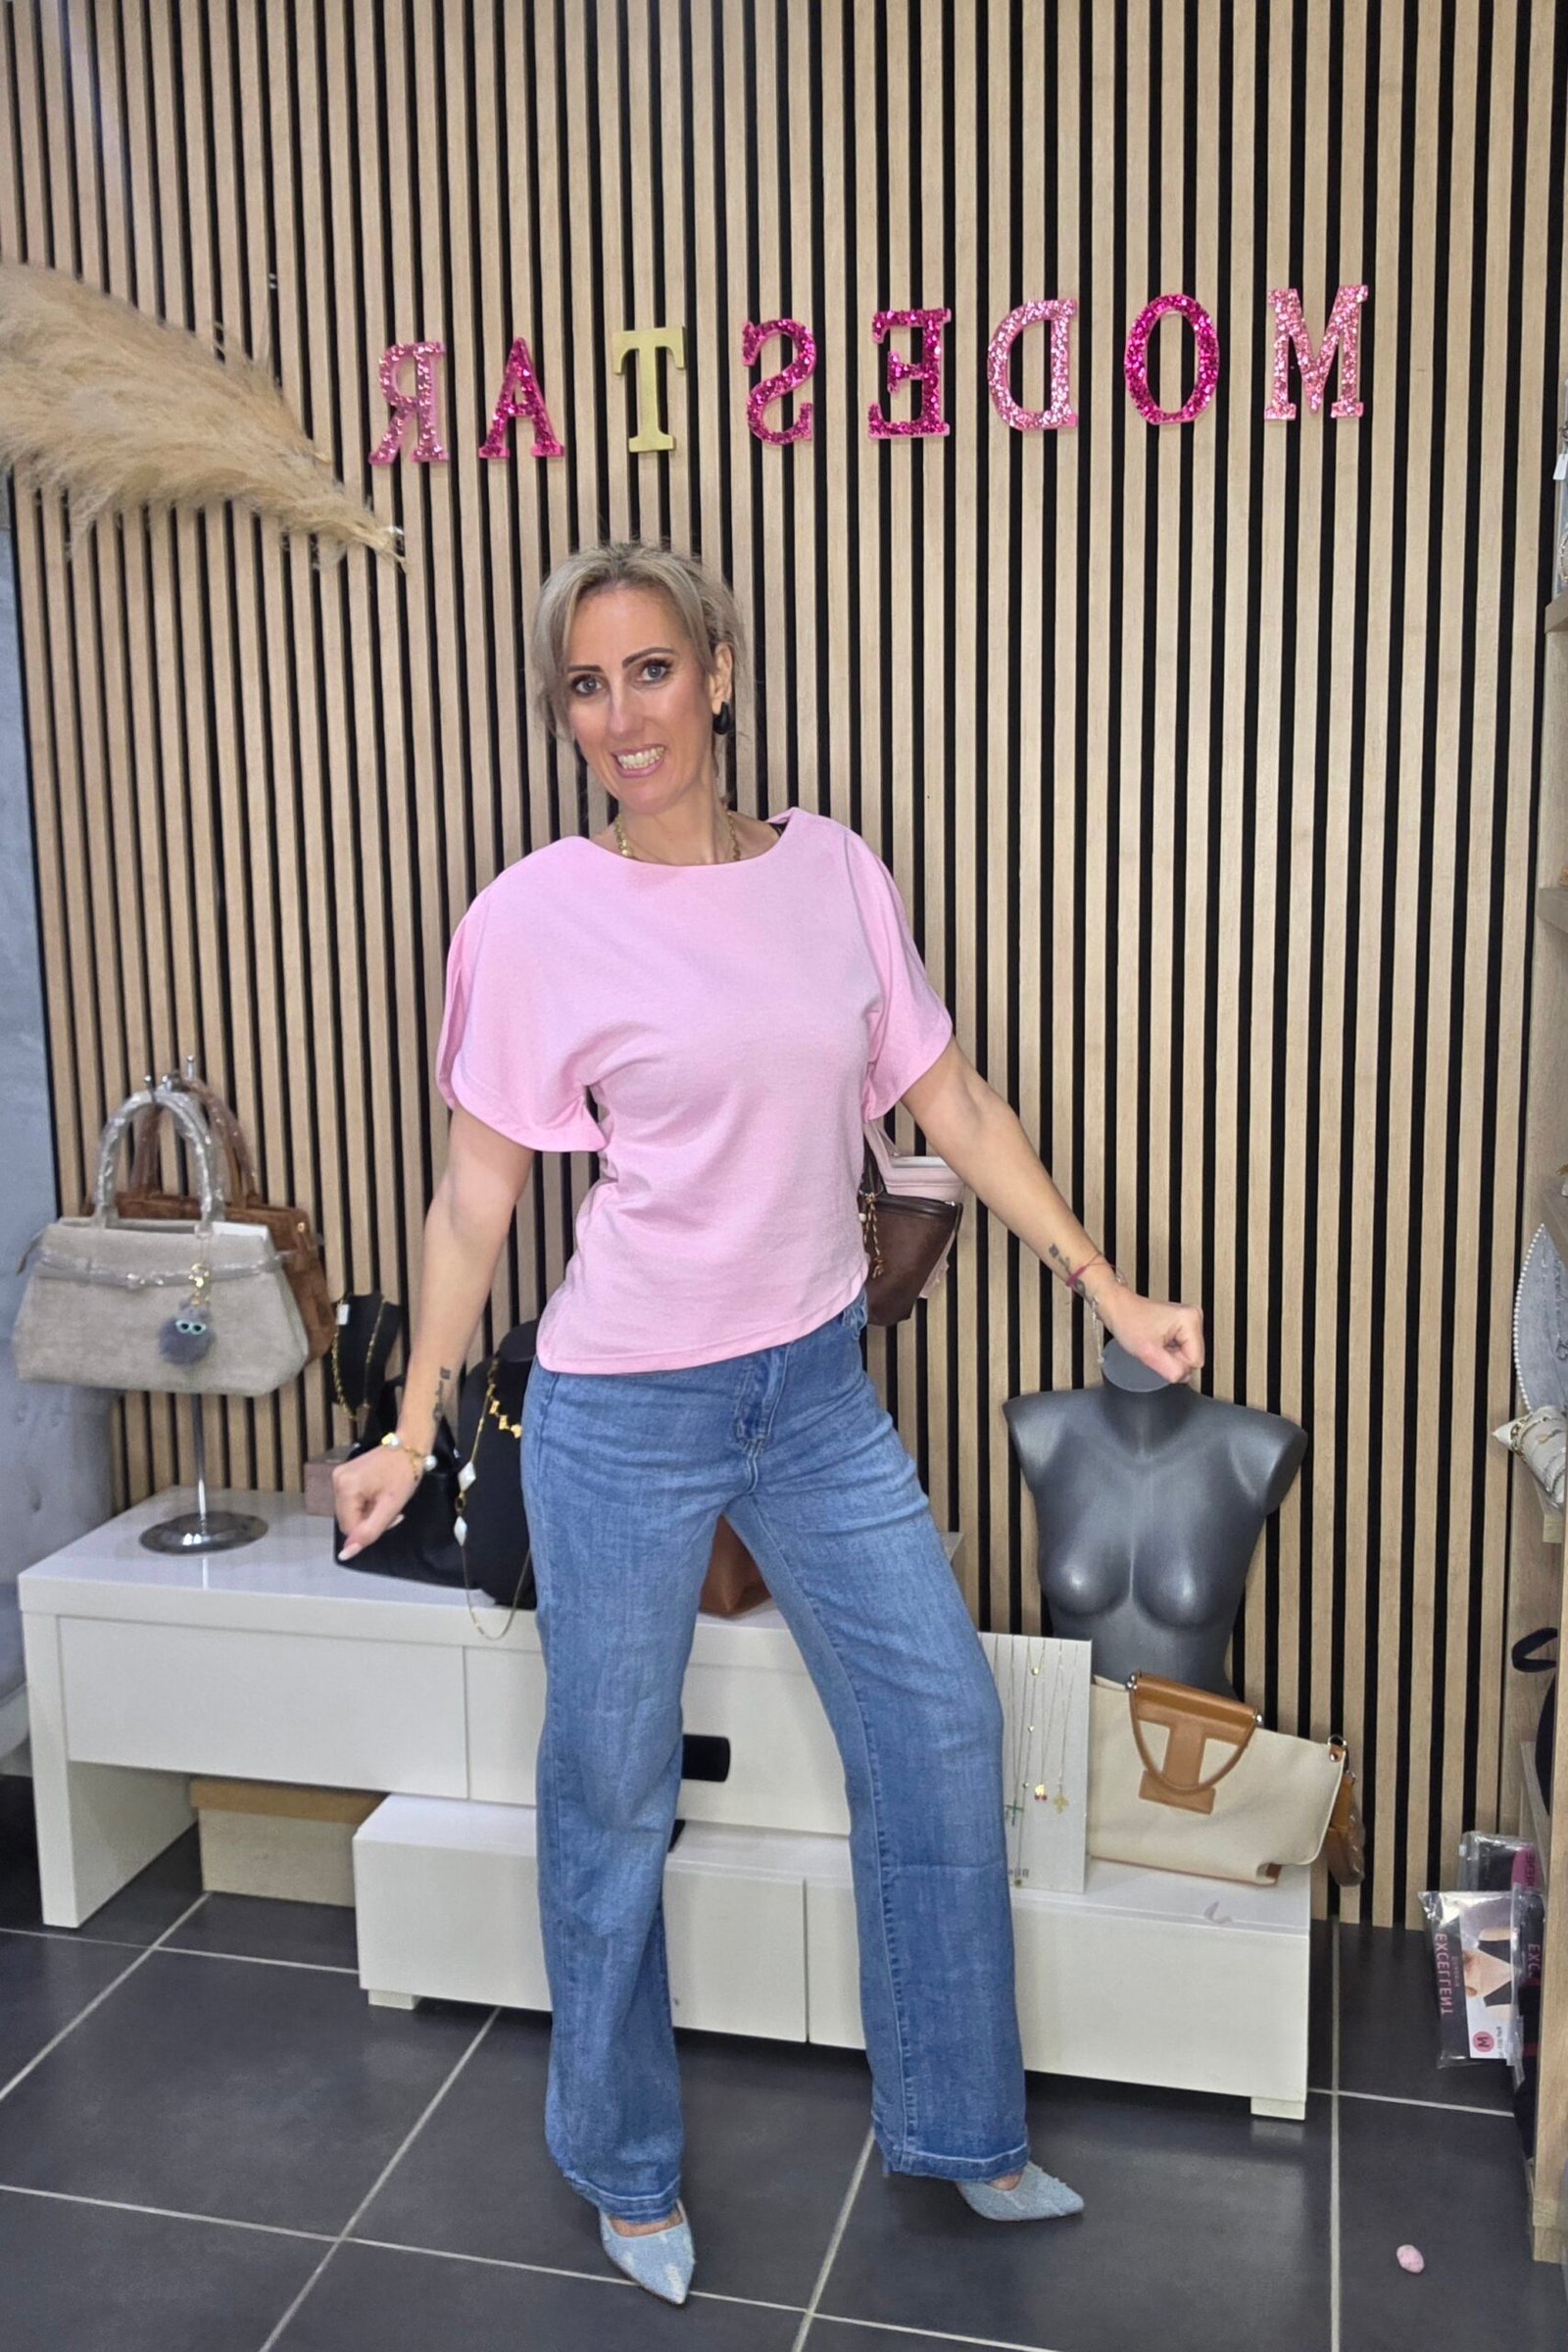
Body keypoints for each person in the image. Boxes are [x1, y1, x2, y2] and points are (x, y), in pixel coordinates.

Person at [333, 540, 1205, 2308]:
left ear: (718, 672)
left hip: (812, 1396)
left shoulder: (833, 874)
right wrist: (414, 1431)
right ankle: (622, 2163)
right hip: (622, 1412)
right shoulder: (533, 919)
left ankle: (961, 2127)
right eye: (586, 687)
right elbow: (474, 1204)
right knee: (611, 1790)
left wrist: (1105, 1287)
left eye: (651, 670)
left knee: (940, 1726)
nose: (622, 717)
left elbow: (952, 1103)